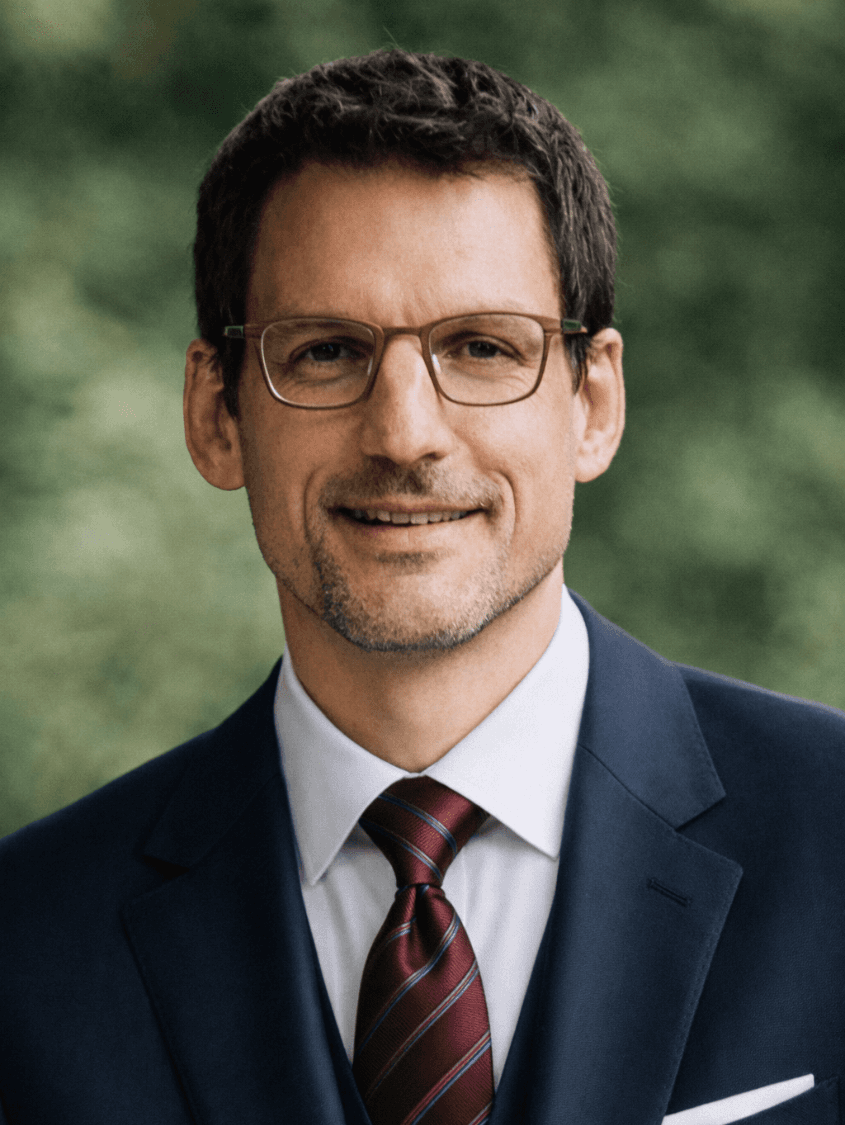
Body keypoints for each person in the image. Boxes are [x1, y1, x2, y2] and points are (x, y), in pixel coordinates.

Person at [1, 49, 843, 1125]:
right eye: (323, 353)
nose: (404, 434)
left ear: (592, 403)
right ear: (216, 415)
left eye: (483, 348)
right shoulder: (24, 947)